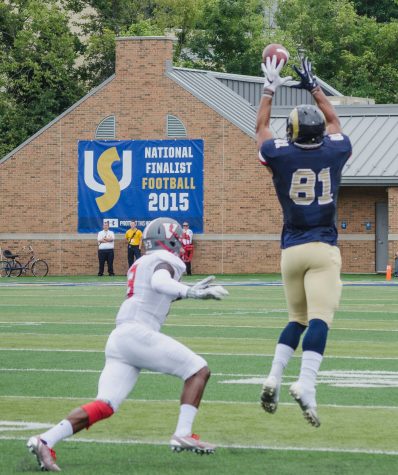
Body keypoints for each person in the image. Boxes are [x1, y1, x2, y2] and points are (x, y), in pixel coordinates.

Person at [27, 217, 228, 472]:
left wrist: (182, 292)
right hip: (137, 333)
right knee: (198, 369)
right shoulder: (166, 261)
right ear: (170, 240)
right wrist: (190, 291)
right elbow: (159, 283)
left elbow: (151, 295)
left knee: (106, 404)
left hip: (120, 338)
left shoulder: (142, 262)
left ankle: (45, 440)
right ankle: (183, 432)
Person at [256, 56, 352, 427]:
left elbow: (261, 129)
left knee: (296, 319)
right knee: (320, 319)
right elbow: (336, 122)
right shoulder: (335, 150)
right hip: (323, 248)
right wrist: (315, 87)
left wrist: (269, 88)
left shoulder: (280, 155)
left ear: (292, 133)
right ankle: (306, 383)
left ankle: (274, 377)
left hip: (290, 250)